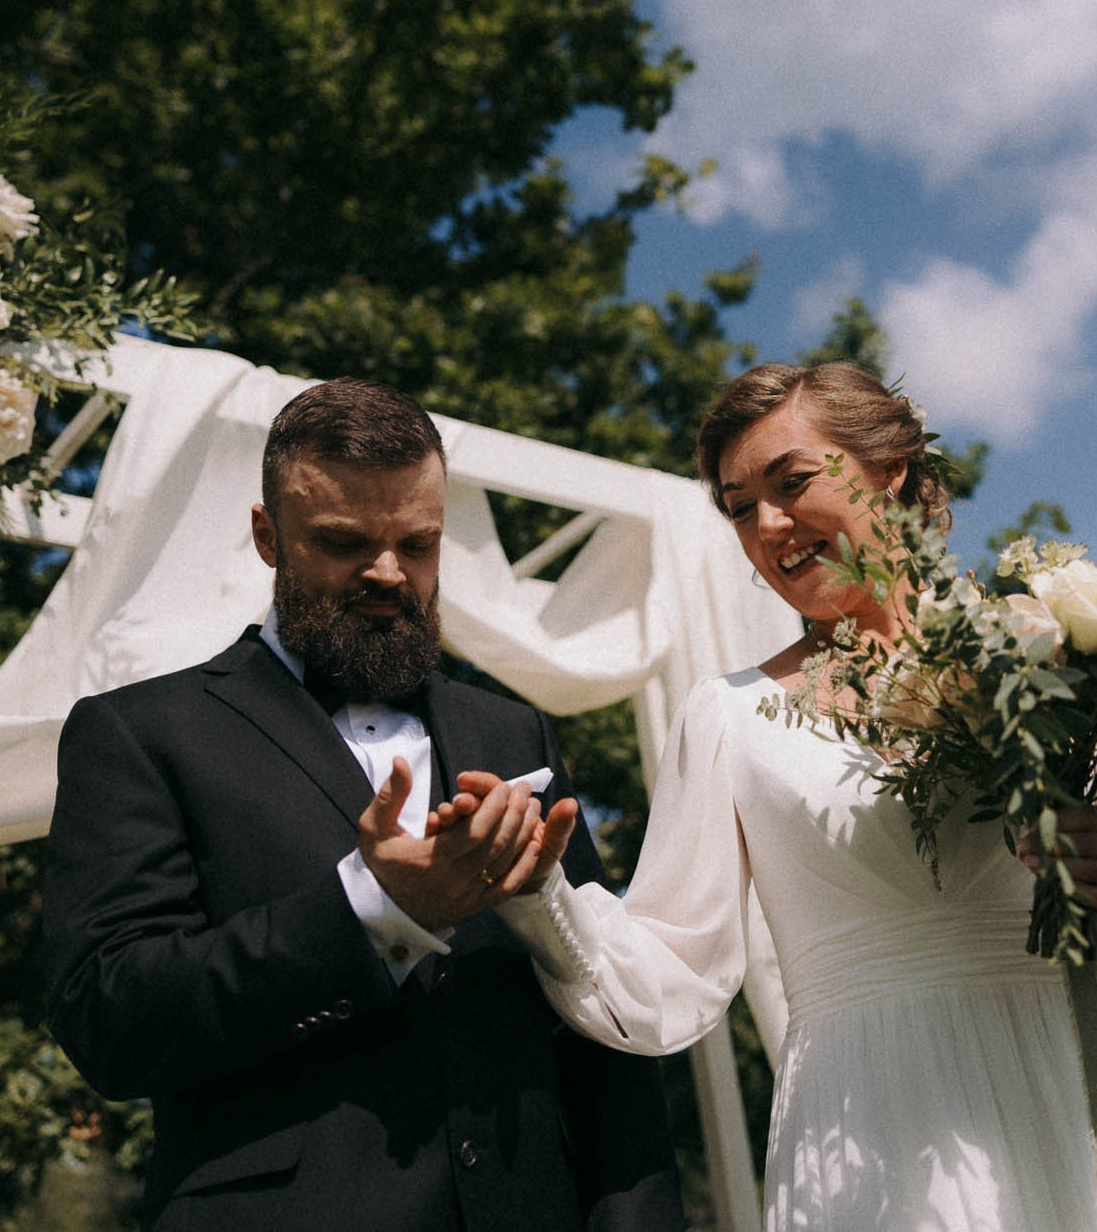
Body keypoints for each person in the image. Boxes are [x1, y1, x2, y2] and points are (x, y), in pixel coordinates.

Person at [464, 362, 1097, 1230]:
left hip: (1083, 1110)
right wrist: (543, 897)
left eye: (791, 481)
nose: (767, 524)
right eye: (736, 506)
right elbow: (675, 971)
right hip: (870, 1139)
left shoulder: (1064, 657)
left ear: (894, 466)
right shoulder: (729, 716)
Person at [42, 378, 684, 1232]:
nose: (388, 573)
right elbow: (109, 1017)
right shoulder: (140, 733)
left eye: (417, 544)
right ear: (268, 536)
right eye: (344, 542)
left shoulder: (514, 732)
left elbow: (604, 1032)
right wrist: (372, 911)